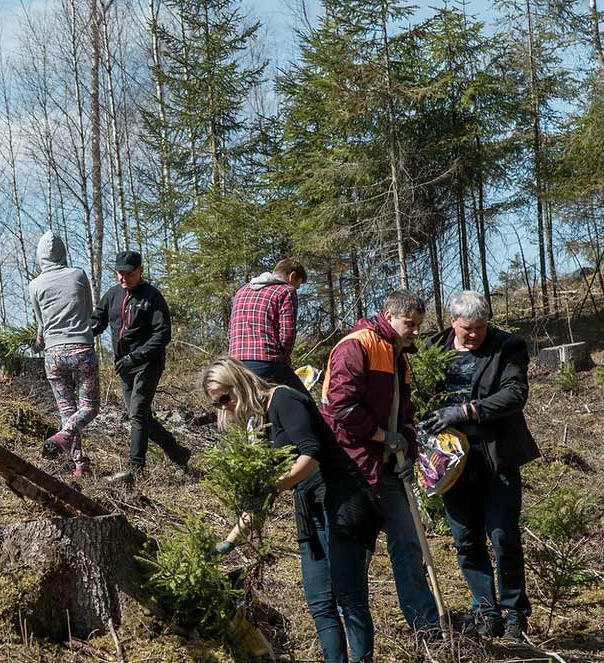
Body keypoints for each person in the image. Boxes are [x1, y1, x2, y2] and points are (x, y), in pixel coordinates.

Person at [203, 357, 381, 663]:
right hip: (309, 507)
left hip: (343, 500)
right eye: (216, 404)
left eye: (224, 398)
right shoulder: (259, 424)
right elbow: (261, 497)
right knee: (319, 600)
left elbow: (312, 455)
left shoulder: (285, 399)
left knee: (348, 597)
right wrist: (228, 543)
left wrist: (275, 486)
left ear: (240, 383)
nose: (224, 407)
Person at [320, 290, 440, 652]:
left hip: (388, 469)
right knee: (357, 555)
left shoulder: (399, 356)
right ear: (389, 315)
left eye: (419, 325)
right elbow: (340, 409)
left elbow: (404, 412)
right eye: (410, 324)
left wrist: (406, 444)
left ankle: (428, 630)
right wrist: (380, 436)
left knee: (407, 542)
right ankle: (351, 638)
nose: (416, 332)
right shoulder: (356, 347)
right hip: (353, 468)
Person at [423, 290, 540, 641]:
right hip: (449, 463)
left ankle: (514, 613)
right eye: (467, 328)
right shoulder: (432, 349)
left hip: (495, 457)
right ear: (452, 321)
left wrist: (465, 410)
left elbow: (514, 394)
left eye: (480, 327)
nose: (474, 334)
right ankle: (485, 612)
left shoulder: (507, 346)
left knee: (503, 536)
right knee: (466, 540)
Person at [91, 250, 190, 482]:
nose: (123, 278)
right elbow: (97, 321)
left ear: (140, 271)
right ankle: (178, 453)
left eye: (128, 273)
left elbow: (163, 334)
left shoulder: (152, 296)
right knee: (140, 416)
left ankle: (136, 469)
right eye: (119, 273)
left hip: (148, 363)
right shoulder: (112, 295)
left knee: (137, 413)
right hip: (123, 366)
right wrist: (76, 334)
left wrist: (136, 357)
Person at [29, 231, 98, 478]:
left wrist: (38, 343)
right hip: (81, 349)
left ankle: (79, 464)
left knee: (67, 411)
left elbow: (41, 325)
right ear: (63, 253)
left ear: (40, 257)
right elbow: (89, 311)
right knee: (89, 407)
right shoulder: (78, 275)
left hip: (53, 354)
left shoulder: (35, 285)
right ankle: (65, 437)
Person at [228, 258, 308, 393]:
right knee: (303, 402)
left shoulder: (241, 291)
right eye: (297, 285)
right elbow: (287, 335)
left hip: (235, 365)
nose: (296, 289)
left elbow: (231, 328)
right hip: (267, 362)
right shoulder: (286, 291)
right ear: (292, 276)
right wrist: (284, 359)